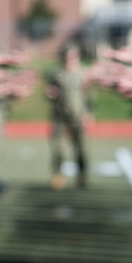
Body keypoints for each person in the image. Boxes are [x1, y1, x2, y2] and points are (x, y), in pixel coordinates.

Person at [46, 43, 90, 189]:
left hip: (78, 114)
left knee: (81, 149)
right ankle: (58, 175)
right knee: (59, 149)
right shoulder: (57, 74)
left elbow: (89, 96)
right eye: (67, 56)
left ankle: (82, 178)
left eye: (73, 56)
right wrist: (50, 95)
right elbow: (49, 92)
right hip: (60, 115)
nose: (69, 59)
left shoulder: (84, 73)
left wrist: (88, 113)